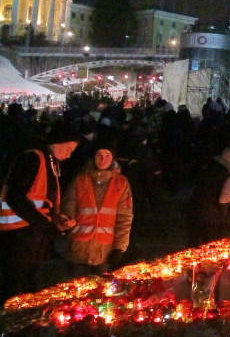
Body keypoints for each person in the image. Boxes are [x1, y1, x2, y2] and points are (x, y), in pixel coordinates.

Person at [0, 119, 79, 299]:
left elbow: (42, 201)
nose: (69, 155)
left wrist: (57, 219)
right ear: (57, 143)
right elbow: (15, 198)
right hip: (18, 237)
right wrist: (48, 226)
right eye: (69, 149)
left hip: (31, 236)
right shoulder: (33, 158)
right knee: (14, 286)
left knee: (27, 284)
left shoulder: (49, 161)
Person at [60, 146, 133, 271]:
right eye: (99, 155)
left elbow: (124, 217)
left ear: (113, 158)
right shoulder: (80, 179)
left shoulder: (121, 183)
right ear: (93, 157)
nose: (103, 160)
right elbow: (69, 204)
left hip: (104, 252)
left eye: (107, 155)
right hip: (77, 249)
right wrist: (67, 219)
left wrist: (120, 247)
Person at [185, 145, 230, 247]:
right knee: (210, 240)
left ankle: (191, 258)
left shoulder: (213, 163)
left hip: (194, 204)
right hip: (211, 209)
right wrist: (222, 213)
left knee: (193, 239)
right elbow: (226, 196)